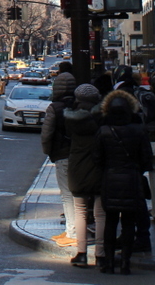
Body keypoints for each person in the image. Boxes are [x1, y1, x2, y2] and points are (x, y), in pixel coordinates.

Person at [94, 89, 153, 275]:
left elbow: (97, 159)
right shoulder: (138, 130)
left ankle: (109, 262)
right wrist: (136, 169)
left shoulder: (103, 131)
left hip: (110, 180)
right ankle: (125, 262)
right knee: (129, 223)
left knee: (110, 222)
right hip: (132, 179)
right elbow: (147, 159)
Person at [64, 83, 106, 268]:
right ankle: (101, 253)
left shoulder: (70, 119)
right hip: (98, 166)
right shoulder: (101, 118)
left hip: (77, 167)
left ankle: (81, 252)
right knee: (100, 213)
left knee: (80, 211)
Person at [41, 71, 78, 247]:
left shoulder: (54, 108)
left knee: (67, 195)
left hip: (62, 155)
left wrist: (48, 151)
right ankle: (73, 228)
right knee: (78, 194)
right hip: (80, 154)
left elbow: (47, 134)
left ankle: (72, 231)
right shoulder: (81, 105)